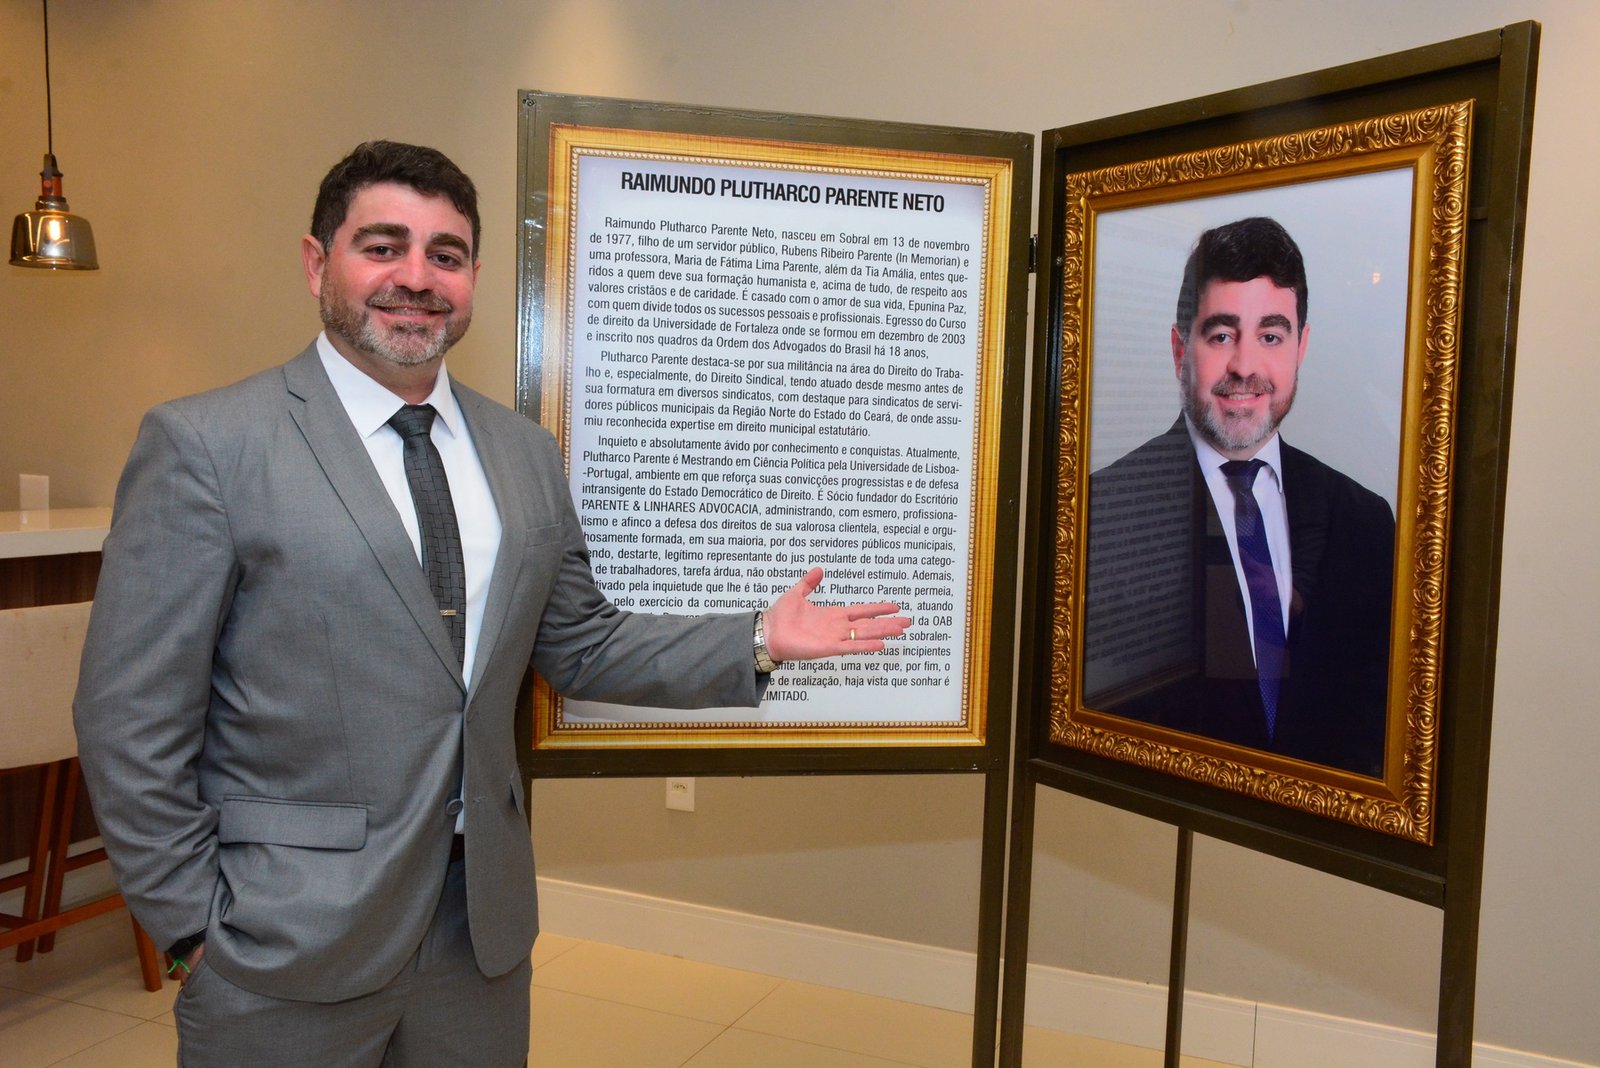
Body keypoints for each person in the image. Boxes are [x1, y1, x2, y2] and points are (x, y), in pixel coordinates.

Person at [72, 140, 910, 1067]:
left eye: (447, 254)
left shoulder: (521, 452)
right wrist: (192, 927)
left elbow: (581, 644)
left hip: (479, 931)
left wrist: (758, 639)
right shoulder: (207, 445)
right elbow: (129, 715)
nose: (416, 278)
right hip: (283, 939)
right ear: (317, 263)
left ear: (472, 277)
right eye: (382, 246)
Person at [1080, 216, 1394, 777]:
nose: (1245, 366)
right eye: (1222, 335)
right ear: (1180, 349)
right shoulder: (1099, 514)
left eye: (1271, 336)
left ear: (1301, 347)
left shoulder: (1364, 522)